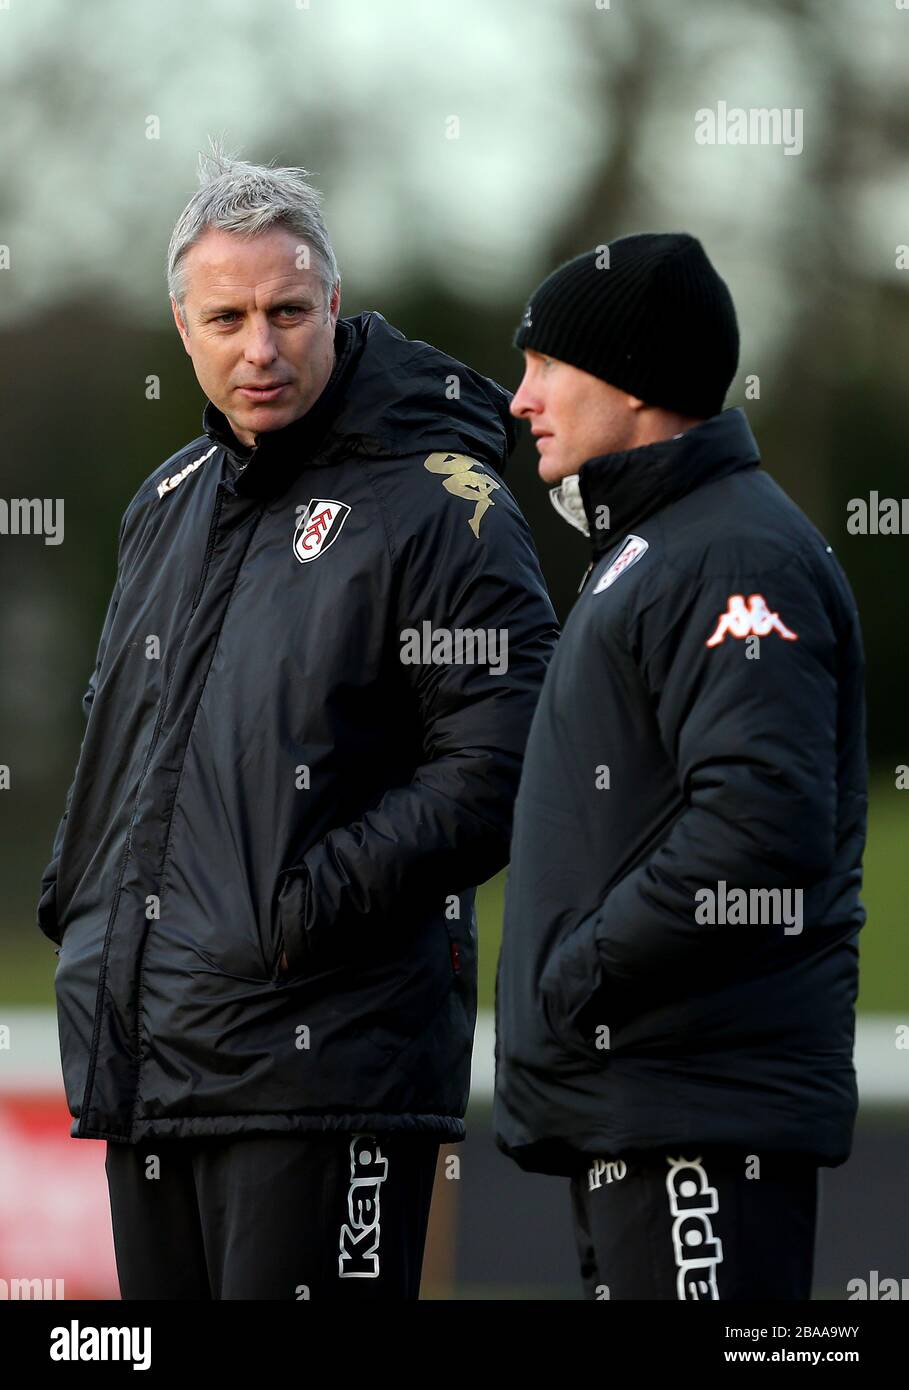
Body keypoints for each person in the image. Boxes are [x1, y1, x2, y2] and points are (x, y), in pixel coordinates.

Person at [36, 141, 558, 1300]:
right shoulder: (164, 505)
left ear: (336, 303)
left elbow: (507, 754)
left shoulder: (439, 503)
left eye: (286, 310)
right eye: (226, 318)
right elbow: (125, 747)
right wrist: (83, 911)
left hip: (329, 1065)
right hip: (149, 1060)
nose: (258, 348)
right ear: (183, 329)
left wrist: (300, 911)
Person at [493, 233, 867, 1301]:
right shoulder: (664, 548)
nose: (521, 400)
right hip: (644, 1106)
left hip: (700, 1112)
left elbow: (757, 831)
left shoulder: (733, 554)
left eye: (545, 365)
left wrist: (580, 972)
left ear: (634, 381)